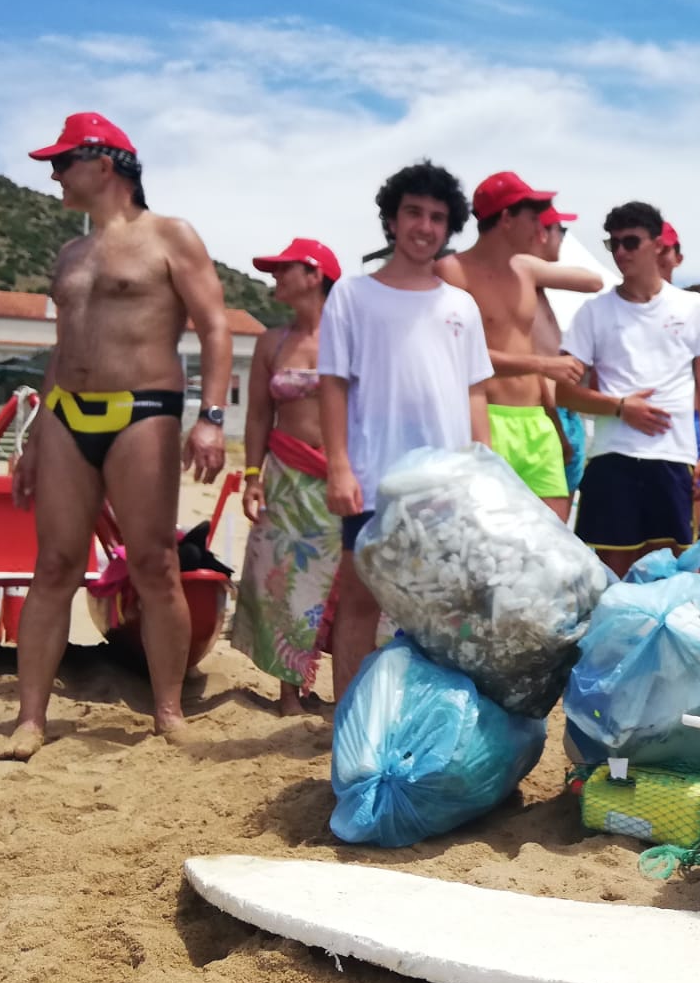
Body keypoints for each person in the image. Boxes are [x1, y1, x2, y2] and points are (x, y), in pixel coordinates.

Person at [0, 114, 232, 760]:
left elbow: (215, 327)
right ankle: (30, 719)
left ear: (105, 165)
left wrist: (211, 418)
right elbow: (61, 349)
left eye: (62, 160)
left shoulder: (170, 236)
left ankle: (167, 711)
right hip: (67, 412)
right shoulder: (70, 254)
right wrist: (35, 439)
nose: (52, 174)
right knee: (54, 565)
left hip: (144, 408)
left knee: (154, 563)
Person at [319, 162, 493, 703]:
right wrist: (339, 466)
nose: (424, 226)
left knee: (442, 611)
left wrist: (484, 473)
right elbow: (332, 385)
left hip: (446, 487)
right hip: (374, 482)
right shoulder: (351, 296)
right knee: (360, 605)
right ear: (391, 221)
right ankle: (347, 721)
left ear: (449, 227)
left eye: (437, 217)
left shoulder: (461, 305)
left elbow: (475, 393)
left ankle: (422, 718)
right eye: (413, 212)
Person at [558, 202, 700, 576]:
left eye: (630, 242)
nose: (619, 252)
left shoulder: (693, 306)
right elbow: (562, 393)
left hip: (674, 459)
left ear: (658, 245)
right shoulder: (593, 312)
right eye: (612, 244)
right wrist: (620, 407)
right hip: (612, 458)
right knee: (612, 578)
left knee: (672, 576)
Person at [230, 237, 345, 716]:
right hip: (285, 474)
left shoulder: (353, 338)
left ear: (315, 275)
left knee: (348, 584)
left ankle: (348, 691)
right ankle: (289, 694)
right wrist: (253, 476)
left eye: (284, 269)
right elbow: (258, 415)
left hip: (343, 476)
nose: (274, 277)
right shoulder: (269, 341)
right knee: (284, 580)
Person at [449, 172, 604, 520]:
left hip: (537, 422)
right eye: (534, 219)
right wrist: (542, 364)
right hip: (487, 418)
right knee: (493, 547)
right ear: (506, 219)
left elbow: (593, 282)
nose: (541, 229)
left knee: (555, 547)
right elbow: (459, 358)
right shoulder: (452, 271)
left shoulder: (527, 269)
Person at [529, 203, 591, 496]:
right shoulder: (525, 282)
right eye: (560, 230)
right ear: (542, 233)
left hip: (560, 412)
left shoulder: (535, 284)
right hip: (548, 414)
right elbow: (593, 281)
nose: (564, 237)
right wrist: (557, 428)